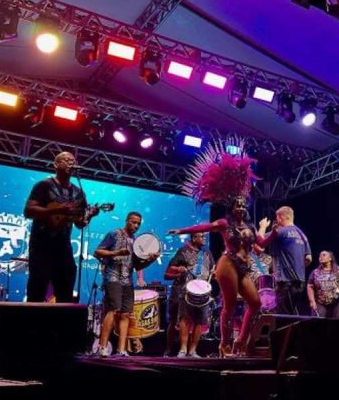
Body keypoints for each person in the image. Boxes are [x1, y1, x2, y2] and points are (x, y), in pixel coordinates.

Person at [169, 140, 266, 357]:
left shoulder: (250, 226)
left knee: (255, 303)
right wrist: (182, 230)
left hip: (243, 267)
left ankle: (240, 340)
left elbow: (262, 244)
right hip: (227, 263)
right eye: (237, 205)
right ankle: (224, 344)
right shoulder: (224, 223)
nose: (240, 207)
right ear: (231, 208)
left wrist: (274, 232)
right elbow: (204, 227)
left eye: (243, 205)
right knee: (229, 306)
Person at [23, 151, 91, 303]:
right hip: (41, 245)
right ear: (56, 164)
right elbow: (28, 211)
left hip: (63, 247)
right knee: (37, 290)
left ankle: (61, 318)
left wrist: (89, 215)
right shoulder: (44, 185)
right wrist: (56, 210)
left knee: (66, 290)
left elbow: (79, 223)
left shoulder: (78, 192)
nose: (70, 163)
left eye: (73, 160)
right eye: (66, 160)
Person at [94, 212, 158, 357]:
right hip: (113, 277)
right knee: (113, 310)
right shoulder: (114, 234)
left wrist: (151, 259)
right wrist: (116, 252)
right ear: (127, 220)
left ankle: (121, 350)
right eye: (133, 222)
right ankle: (102, 347)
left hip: (127, 281)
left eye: (138, 223)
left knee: (125, 314)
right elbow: (97, 251)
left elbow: (137, 265)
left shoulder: (135, 241)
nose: (136, 225)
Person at [164, 232, 215, 357]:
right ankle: (175, 350)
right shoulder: (183, 251)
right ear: (194, 238)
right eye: (201, 236)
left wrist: (215, 273)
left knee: (199, 320)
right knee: (181, 319)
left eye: (204, 236)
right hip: (184, 291)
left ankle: (192, 351)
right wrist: (179, 269)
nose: (204, 238)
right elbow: (169, 269)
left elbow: (212, 269)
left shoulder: (207, 253)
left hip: (202, 293)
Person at [258, 206, 312, 315]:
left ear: (282, 217)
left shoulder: (282, 231)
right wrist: (296, 266)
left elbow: (260, 241)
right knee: (292, 312)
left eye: (277, 218)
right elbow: (308, 259)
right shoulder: (302, 235)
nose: (277, 220)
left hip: (286, 282)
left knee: (284, 316)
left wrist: (263, 226)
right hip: (300, 282)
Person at [307, 251, 339, 318]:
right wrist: (312, 301)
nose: (321, 257)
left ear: (330, 258)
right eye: (320, 256)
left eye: (324, 255)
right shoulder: (315, 272)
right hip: (321, 301)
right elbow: (310, 286)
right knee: (317, 319)